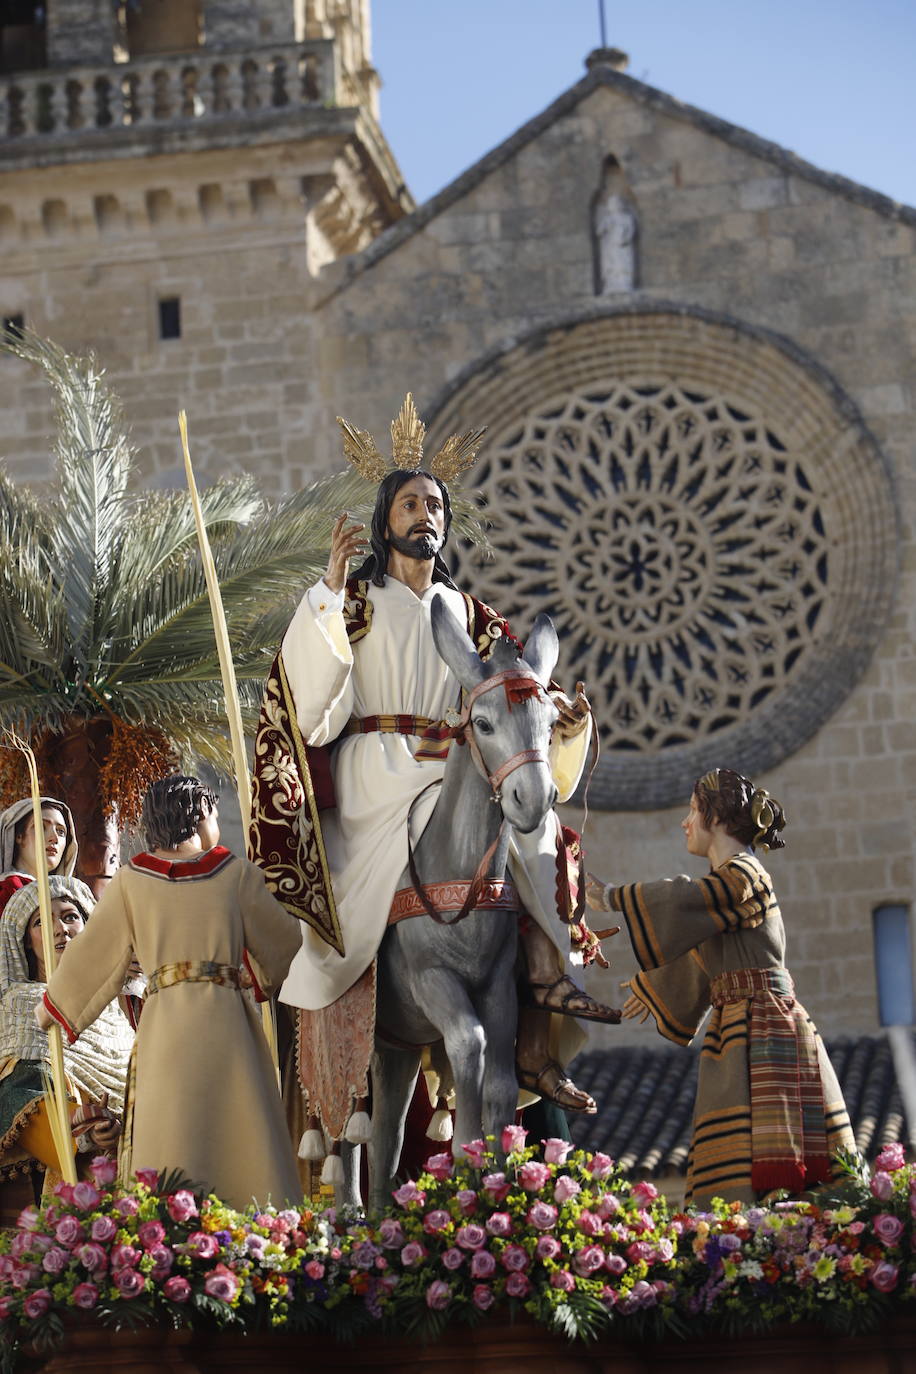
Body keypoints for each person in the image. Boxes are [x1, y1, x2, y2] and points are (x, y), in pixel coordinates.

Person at [250, 396, 618, 1135]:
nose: (427, 515)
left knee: (524, 819)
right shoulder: (350, 605)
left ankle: (550, 972)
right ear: (386, 519)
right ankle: (359, 985)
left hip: (456, 763)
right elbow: (310, 711)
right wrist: (323, 596)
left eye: (436, 505)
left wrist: (564, 723)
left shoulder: (473, 617)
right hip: (377, 766)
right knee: (438, 804)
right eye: (412, 503)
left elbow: (519, 704)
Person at [586, 767, 855, 1208]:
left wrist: (610, 897)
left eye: (692, 810)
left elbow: (690, 898)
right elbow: (705, 954)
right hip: (737, 1031)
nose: (685, 822)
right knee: (736, 1159)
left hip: (766, 1030)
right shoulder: (725, 893)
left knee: (778, 1155)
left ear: (716, 817)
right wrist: (656, 988)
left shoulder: (746, 874)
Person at [38, 776, 303, 1209]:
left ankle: (167, 1233)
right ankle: (257, 1224)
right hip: (227, 1018)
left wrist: (56, 1005)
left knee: (171, 1121)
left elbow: (92, 954)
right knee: (241, 1122)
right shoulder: (234, 873)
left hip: (167, 1020)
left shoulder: (131, 881)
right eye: (214, 813)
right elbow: (282, 944)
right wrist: (263, 976)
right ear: (199, 815)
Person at [0, 875, 131, 1223]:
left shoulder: (120, 1008)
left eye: (71, 916)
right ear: (26, 943)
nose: (61, 929)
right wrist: (81, 1125)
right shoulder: (22, 1004)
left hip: (137, 1162)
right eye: (43, 921)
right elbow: (16, 1091)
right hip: (64, 1176)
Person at [0, 797, 77, 917]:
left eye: (61, 831)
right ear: (19, 836)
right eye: (41, 827)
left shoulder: (70, 897)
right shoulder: (8, 891)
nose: (54, 838)